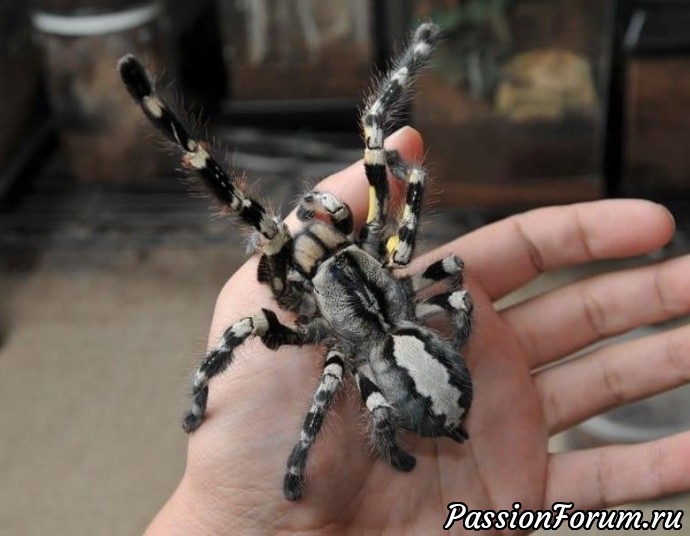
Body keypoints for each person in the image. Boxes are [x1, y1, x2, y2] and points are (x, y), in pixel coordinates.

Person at [146, 128, 690, 534]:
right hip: (413, 331)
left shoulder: (313, 315)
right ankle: (374, 440)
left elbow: (254, 328)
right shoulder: (393, 257)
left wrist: (283, 450)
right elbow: (421, 203)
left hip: (386, 352)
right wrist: (456, 337)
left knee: (293, 358)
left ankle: (349, 450)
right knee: (446, 283)